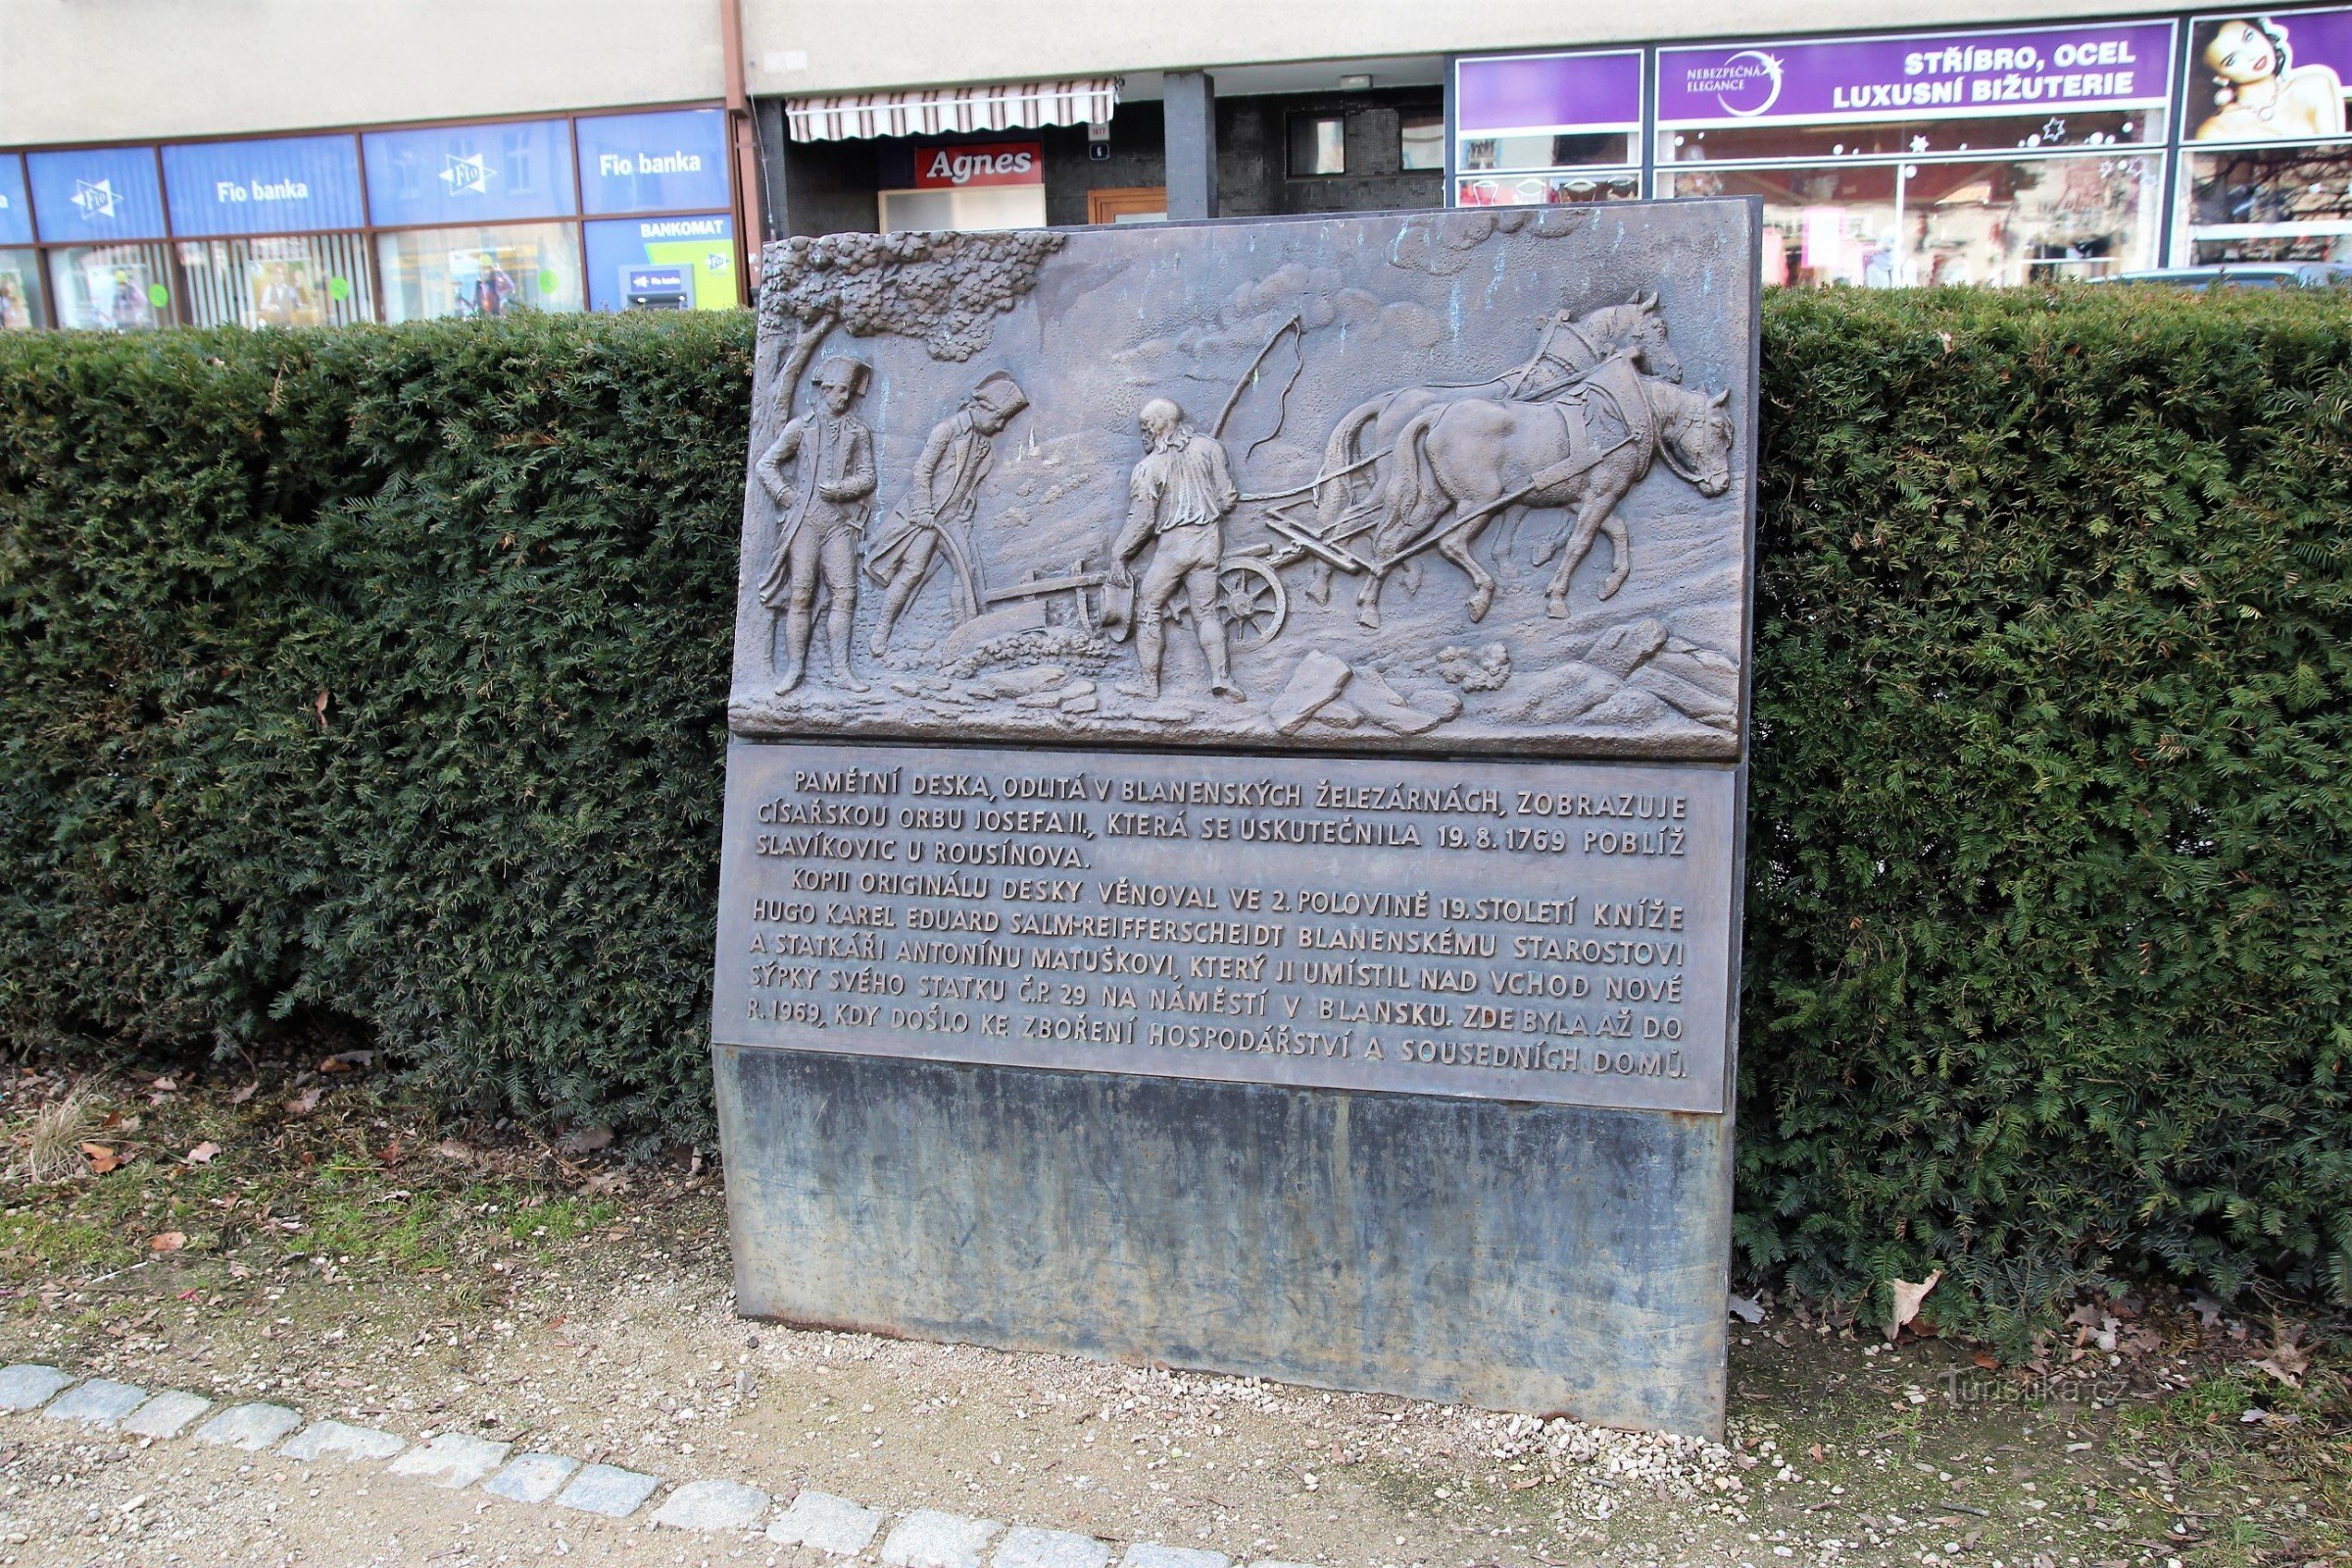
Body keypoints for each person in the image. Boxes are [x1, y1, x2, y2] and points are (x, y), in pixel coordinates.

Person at [865, 370, 1028, 656]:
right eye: (999, 418)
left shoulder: (984, 447)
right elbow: (922, 471)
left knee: (968, 571)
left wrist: (968, 506)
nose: (1001, 425)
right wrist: (923, 509)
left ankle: (964, 632)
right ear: (983, 408)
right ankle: (881, 630)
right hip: (929, 518)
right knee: (912, 572)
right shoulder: (947, 431)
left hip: (953, 520)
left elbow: (968, 485)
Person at [1108, 398, 1245, 704]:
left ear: (1156, 428)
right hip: (1209, 542)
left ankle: (1149, 686)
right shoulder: (1210, 448)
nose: (1143, 434)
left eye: (1145, 428)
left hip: (1175, 547)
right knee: (1207, 612)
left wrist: (1120, 553)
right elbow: (1228, 499)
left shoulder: (1148, 466)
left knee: (1148, 607)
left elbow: (1141, 520)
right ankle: (1221, 678)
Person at [757, 356, 877, 694]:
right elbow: (767, 464)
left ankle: (842, 669)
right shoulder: (801, 427)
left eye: (850, 392)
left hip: (838, 523)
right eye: (840, 391)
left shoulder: (858, 431)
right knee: (801, 594)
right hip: (804, 523)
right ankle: (795, 670)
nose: (846, 398)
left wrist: (842, 489)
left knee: (845, 594)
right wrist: (784, 493)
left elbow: (868, 477)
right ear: (825, 390)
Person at [2195, 18, 2348, 141]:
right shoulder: (2216, 130)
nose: (2251, 55)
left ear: (2261, 32)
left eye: (2248, 37)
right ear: (2219, 76)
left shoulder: (2314, 87)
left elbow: (2333, 166)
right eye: (2232, 60)